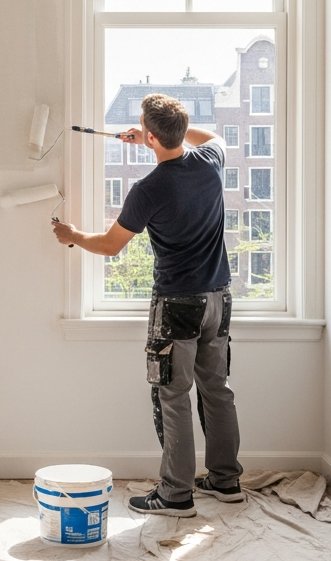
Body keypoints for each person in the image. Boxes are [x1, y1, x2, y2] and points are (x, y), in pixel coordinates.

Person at [51, 93, 244, 516]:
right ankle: (226, 482)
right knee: (217, 390)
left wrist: (72, 235)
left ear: (151, 136)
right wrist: (154, 137)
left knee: (172, 395)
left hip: (177, 302)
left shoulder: (149, 189)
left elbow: (109, 246)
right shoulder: (210, 162)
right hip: (219, 298)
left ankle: (176, 494)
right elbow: (212, 135)